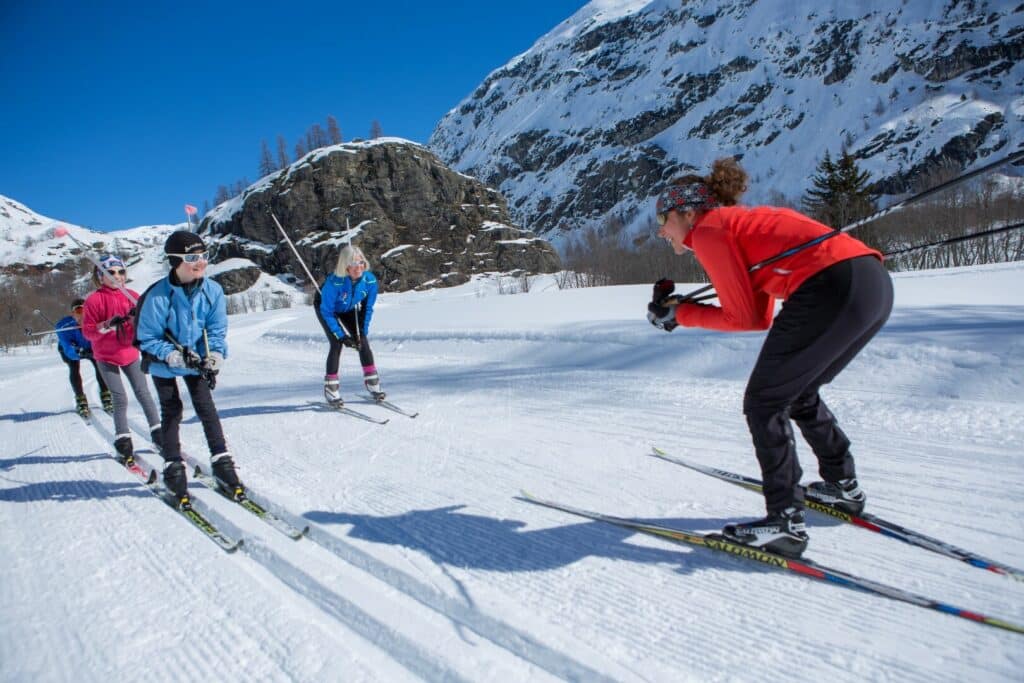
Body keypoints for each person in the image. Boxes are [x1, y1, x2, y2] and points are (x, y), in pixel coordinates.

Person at [648, 157, 893, 558]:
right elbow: (757, 315)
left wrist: (681, 314)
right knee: (798, 392)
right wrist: (682, 312)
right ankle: (841, 486)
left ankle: (784, 521)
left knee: (765, 401)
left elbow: (743, 316)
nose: (661, 229)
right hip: (870, 285)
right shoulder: (734, 224)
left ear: (687, 212)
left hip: (830, 286)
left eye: (664, 218)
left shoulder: (709, 230)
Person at [136, 230, 243, 509]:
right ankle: (173, 464)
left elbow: (216, 330)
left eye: (204, 256)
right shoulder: (158, 296)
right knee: (172, 410)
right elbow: (147, 338)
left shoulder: (213, 291)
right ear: (175, 261)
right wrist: (170, 355)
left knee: (206, 407)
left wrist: (215, 354)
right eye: (192, 257)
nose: (201, 263)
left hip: (195, 359)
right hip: (165, 364)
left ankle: (221, 460)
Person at [81, 255, 163, 466]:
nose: (117, 276)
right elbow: (88, 333)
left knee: (143, 393)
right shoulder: (93, 300)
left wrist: (137, 317)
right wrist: (107, 324)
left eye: (120, 271)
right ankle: (123, 440)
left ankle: (159, 434)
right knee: (120, 398)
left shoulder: (133, 295)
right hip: (106, 356)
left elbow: (147, 325)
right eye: (111, 273)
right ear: (100, 276)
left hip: (129, 353)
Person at [315, 244, 385, 405]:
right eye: (353, 264)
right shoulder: (334, 283)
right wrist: (341, 336)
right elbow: (327, 312)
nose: (358, 267)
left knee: (362, 340)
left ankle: (372, 383)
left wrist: (362, 330)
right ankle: (331, 389)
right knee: (336, 343)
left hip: (348, 308)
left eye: (360, 262)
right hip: (327, 308)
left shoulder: (370, 280)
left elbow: (367, 308)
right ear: (345, 265)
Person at [54, 298, 112, 418]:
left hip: (90, 347)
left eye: (87, 310)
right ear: (73, 314)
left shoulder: (96, 322)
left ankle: (106, 395)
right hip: (70, 350)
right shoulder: (63, 326)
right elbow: (68, 349)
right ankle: (80, 399)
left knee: (99, 364)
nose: (83, 314)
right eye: (79, 310)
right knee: (74, 366)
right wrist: (77, 352)